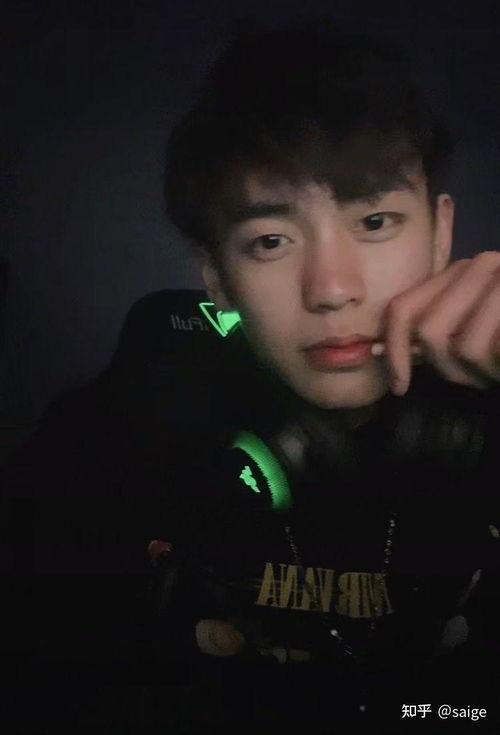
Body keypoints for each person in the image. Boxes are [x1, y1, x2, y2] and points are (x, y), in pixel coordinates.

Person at [2, 21, 500, 734]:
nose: (331, 289)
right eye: (270, 240)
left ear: (441, 233)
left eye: (376, 221)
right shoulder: (121, 426)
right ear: (217, 278)